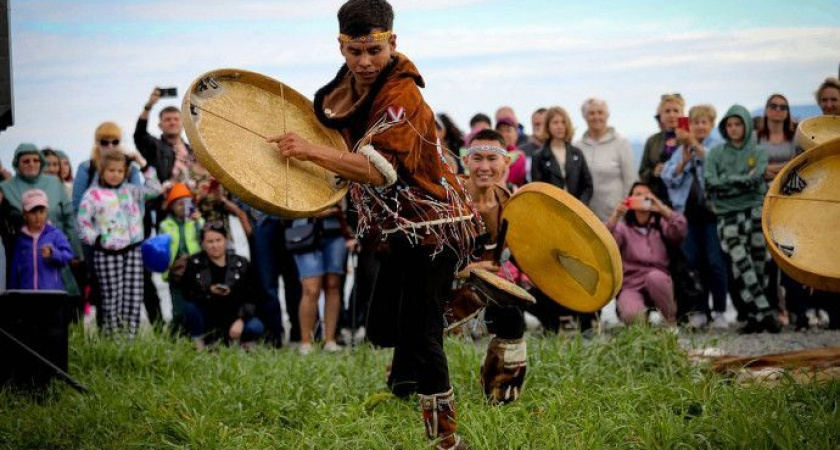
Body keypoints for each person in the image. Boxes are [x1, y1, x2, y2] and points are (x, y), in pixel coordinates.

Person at [267, 1, 476, 447]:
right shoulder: (353, 83)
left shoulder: (402, 93)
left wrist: (309, 152)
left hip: (434, 228)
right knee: (383, 327)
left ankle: (445, 437)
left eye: (374, 51)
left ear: (392, 42)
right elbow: (329, 125)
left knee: (423, 336)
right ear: (342, 47)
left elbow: (380, 170)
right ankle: (404, 385)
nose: (364, 62)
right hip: (394, 230)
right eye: (355, 51)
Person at [458, 129, 527, 405]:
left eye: (492, 159)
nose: (484, 167)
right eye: (477, 158)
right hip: (446, 278)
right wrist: (470, 269)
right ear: (466, 162)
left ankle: (500, 387)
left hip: (491, 280)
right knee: (410, 371)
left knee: (512, 316)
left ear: (506, 163)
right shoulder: (449, 198)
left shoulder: (508, 201)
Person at [705, 105, 781, 334]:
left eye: (738, 124)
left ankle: (755, 317)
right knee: (740, 263)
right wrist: (741, 182)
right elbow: (711, 182)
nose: (733, 128)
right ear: (724, 127)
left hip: (756, 211)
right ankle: (767, 312)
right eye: (729, 124)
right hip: (727, 215)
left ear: (746, 125)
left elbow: (757, 177)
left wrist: (727, 181)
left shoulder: (758, 152)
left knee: (758, 266)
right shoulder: (715, 154)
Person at [77, 150, 162, 338]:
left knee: (133, 297)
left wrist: (142, 162)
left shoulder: (131, 191)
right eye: (111, 170)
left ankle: (129, 339)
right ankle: (112, 339)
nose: (115, 174)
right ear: (102, 171)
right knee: (111, 298)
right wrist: (97, 240)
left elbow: (156, 190)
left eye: (120, 171)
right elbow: (82, 223)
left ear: (125, 172)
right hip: (107, 253)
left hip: (133, 251)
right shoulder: (93, 194)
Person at [662, 104, 728, 329]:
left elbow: (717, 166)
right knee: (693, 263)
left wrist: (693, 145)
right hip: (688, 215)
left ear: (711, 125)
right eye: (696, 122)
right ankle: (700, 311)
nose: (700, 126)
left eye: (704, 122)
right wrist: (683, 161)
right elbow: (668, 177)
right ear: (689, 125)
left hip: (712, 214)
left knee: (715, 263)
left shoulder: (718, 147)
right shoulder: (680, 150)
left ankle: (719, 311)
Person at [0, 143, 81, 299]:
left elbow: (69, 217)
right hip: (24, 250)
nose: (31, 164)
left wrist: (76, 252)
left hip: (58, 247)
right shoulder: (5, 187)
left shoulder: (54, 183)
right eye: (26, 161)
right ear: (16, 164)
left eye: (36, 160)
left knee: (64, 300)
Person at [606, 182, 687, 325]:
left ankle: (671, 323)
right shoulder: (622, 228)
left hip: (659, 281)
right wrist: (616, 215)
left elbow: (681, 230)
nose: (642, 198)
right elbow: (606, 244)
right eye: (638, 195)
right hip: (631, 284)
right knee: (632, 314)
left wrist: (662, 208)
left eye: (646, 195)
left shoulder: (660, 224)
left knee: (655, 277)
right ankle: (643, 331)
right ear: (630, 199)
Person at [181, 221, 263, 349]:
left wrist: (241, 319)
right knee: (190, 308)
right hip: (207, 316)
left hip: (233, 316)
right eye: (210, 241)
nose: (215, 245)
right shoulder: (194, 263)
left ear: (226, 240)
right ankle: (199, 344)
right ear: (202, 243)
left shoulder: (241, 263)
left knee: (255, 326)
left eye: (218, 240)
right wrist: (208, 291)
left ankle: (240, 343)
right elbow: (187, 292)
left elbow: (252, 296)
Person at [288, 205, 351, 354]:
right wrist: (314, 211)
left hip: (335, 229)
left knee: (333, 285)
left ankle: (330, 341)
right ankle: (306, 343)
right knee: (311, 288)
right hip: (304, 229)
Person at [574, 98, 636, 222]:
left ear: (607, 115)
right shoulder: (577, 147)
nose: (596, 117)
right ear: (585, 116)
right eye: (591, 113)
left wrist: (626, 213)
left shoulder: (621, 144)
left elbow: (631, 181)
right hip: (586, 217)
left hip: (616, 217)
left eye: (600, 112)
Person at [8, 189, 74, 290]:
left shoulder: (55, 234)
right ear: (25, 215)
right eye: (33, 212)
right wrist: (13, 290)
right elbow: (15, 269)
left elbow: (68, 256)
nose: (38, 216)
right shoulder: (21, 238)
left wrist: (53, 253)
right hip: (26, 293)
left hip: (51, 293)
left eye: (41, 211)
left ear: (46, 212)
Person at [159, 183, 203, 328]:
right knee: (178, 309)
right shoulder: (165, 225)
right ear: (171, 206)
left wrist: (197, 221)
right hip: (176, 272)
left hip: (196, 270)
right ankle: (175, 334)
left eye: (187, 202)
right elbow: (161, 249)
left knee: (197, 304)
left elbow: (204, 239)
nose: (183, 207)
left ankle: (196, 334)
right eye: (179, 204)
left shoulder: (197, 221)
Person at [531, 106, 593, 204]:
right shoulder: (538, 157)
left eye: (563, 122)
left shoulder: (577, 153)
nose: (560, 126)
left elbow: (588, 186)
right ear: (548, 126)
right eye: (555, 122)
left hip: (577, 211)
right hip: (551, 211)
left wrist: (580, 206)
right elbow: (538, 190)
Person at [639, 93, 685, 203]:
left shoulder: (691, 139)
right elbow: (642, 173)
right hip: (658, 199)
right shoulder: (652, 141)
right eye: (667, 111)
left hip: (686, 200)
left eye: (676, 111)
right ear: (661, 116)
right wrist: (654, 172)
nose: (672, 115)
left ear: (683, 114)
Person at [495, 116, 527, 188]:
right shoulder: (489, 153)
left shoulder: (519, 156)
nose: (504, 134)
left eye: (508, 130)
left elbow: (510, 178)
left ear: (516, 135)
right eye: (500, 131)